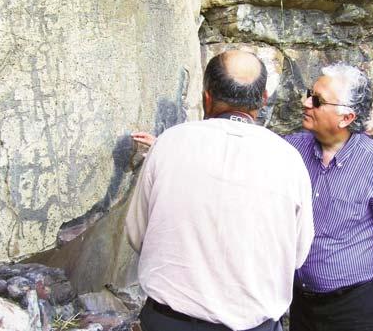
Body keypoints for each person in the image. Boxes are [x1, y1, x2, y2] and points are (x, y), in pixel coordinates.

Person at [126, 50, 314, 331]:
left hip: (169, 321)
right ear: (263, 99)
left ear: (207, 96)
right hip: (253, 325)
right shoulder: (288, 160)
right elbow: (298, 253)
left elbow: (137, 232)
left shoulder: (169, 144)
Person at [285, 64, 373, 331]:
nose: (305, 103)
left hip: (358, 309)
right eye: (308, 93)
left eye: (316, 100)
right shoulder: (291, 151)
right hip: (302, 306)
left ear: (346, 118)